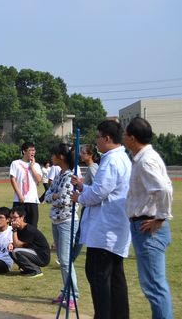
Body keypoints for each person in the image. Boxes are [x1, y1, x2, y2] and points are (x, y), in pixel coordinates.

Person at [72, 120, 131, 319]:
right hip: (114, 228)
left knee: (99, 276)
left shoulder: (111, 160)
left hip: (105, 231)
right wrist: (82, 187)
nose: (96, 141)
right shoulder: (122, 158)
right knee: (115, 279)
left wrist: (79, 197)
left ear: (107, 138)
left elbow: (99, 193)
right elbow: (103, 191)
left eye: (98, 137)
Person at [123, 117, 173, 319]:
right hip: (143, 226)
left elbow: (163, 189)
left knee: (154, 286)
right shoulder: (143, 158)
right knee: (153, 285)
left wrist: (160, 218)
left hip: (148, 227)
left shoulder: (146, 160)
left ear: (132, 138)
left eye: (125, 134)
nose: (124, 138)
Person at [44, 143, 79, 309]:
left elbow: (66, 201)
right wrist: (55, 196)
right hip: (56, 221)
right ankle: (66, 291)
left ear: (61, 156)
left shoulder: (70, 176)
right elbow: (48, 195)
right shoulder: (59, 174)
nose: (51, 158)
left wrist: (55, 196)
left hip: (67, 221)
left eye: (53, 155)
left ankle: (73, 295)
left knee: (65, 260)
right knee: (62, 259)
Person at [8, 205, 50, 277]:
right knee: (11, 250)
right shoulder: (19, 228)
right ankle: (27, 269)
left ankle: (36, 271)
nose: (12, 220)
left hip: (42, 257)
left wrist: (14, 230)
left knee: (16, 251)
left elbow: (18, 245)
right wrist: (11, 244)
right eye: (11, 218)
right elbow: (21, 243)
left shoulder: (29, 229)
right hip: (33, 252)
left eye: (15, 218)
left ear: (22, 217)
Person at [9, 142, 42, 227]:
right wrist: (19, 195)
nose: (33, 152)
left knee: (33, 225)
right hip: (19, 200)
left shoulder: (36, 165)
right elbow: (13, 179)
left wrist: (32, 167)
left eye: (34, 150)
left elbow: (38, 180)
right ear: (24, 151)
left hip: (32, 200)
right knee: (16, 224)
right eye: (30, 150)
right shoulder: (15, 163)